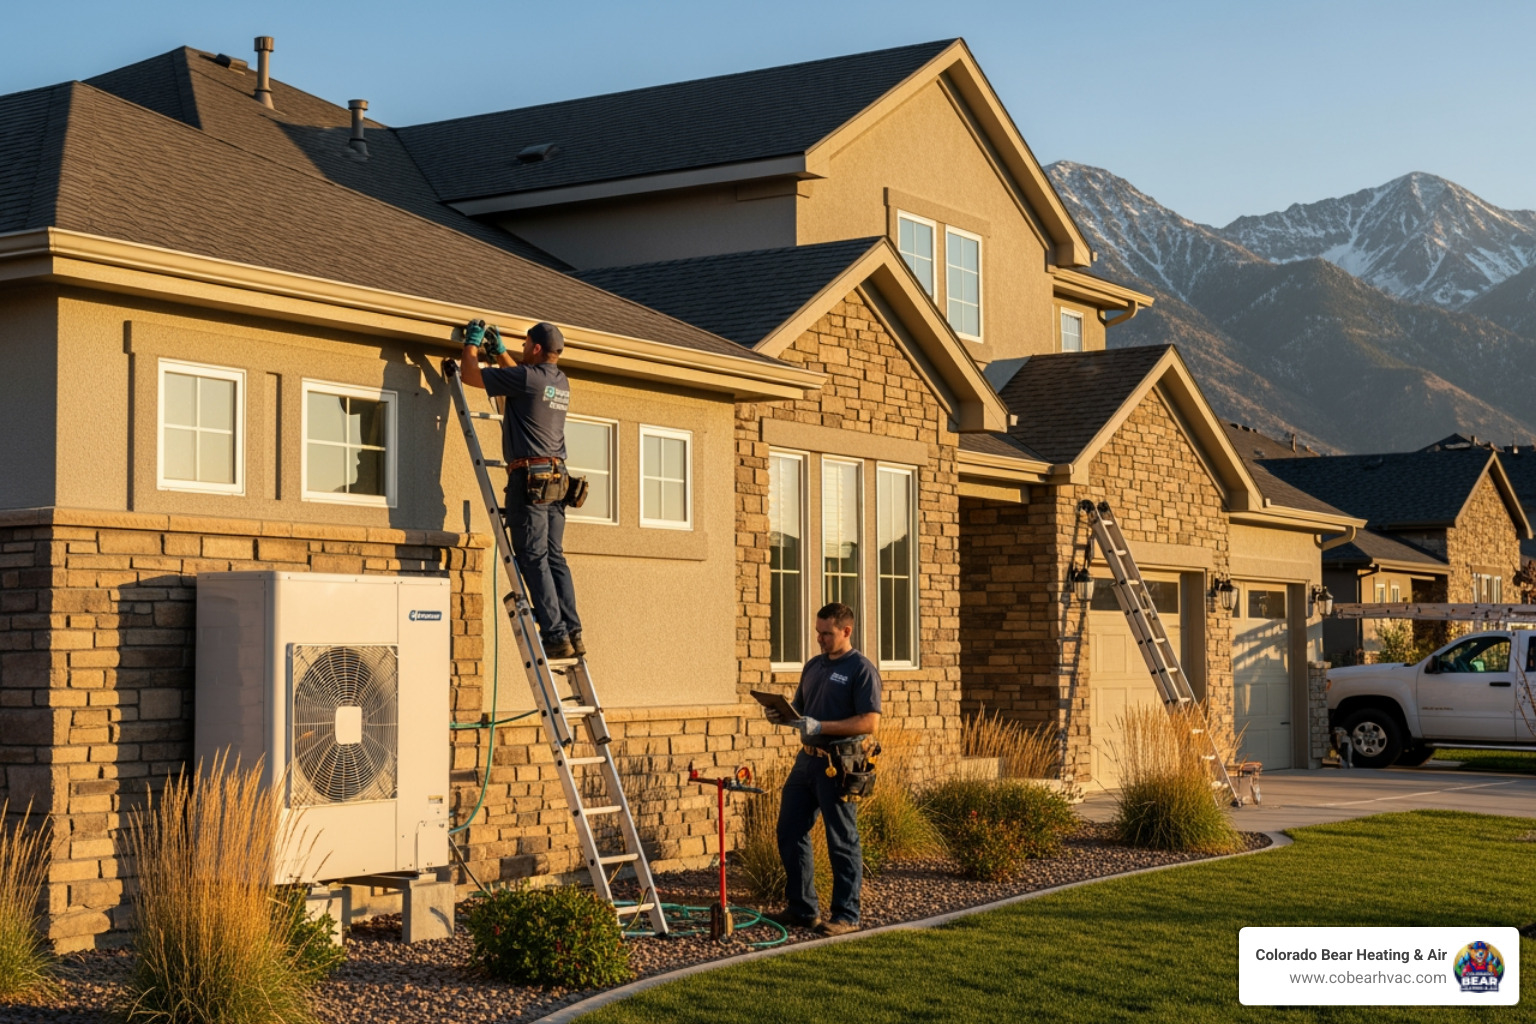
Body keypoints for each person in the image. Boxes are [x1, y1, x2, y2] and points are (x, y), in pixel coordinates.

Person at [458, 320, 583, 659]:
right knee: (554, 557)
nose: (522, 348)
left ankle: (555, 635)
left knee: (532, 556)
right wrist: (500, 354)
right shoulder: (559, 381)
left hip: (530, 479)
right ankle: (573, 632)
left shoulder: (528, 378)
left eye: (526, 344)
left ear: (537, 348)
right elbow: (523, 378)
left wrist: (472, 345)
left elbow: (470, 375)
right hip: (557, 478)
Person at [763, 602, 881, 936]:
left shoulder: (861, 669)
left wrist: (821, 726)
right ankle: (803, 909)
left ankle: (846, 915)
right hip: (806, 762)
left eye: (826, 633)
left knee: (841, 839)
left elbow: (869, 722)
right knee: (789, 831)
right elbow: (800, 710)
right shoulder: (813, 666)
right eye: (817, 632)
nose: (820, 639)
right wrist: (781, 715)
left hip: (840, 763)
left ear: (846, 631)